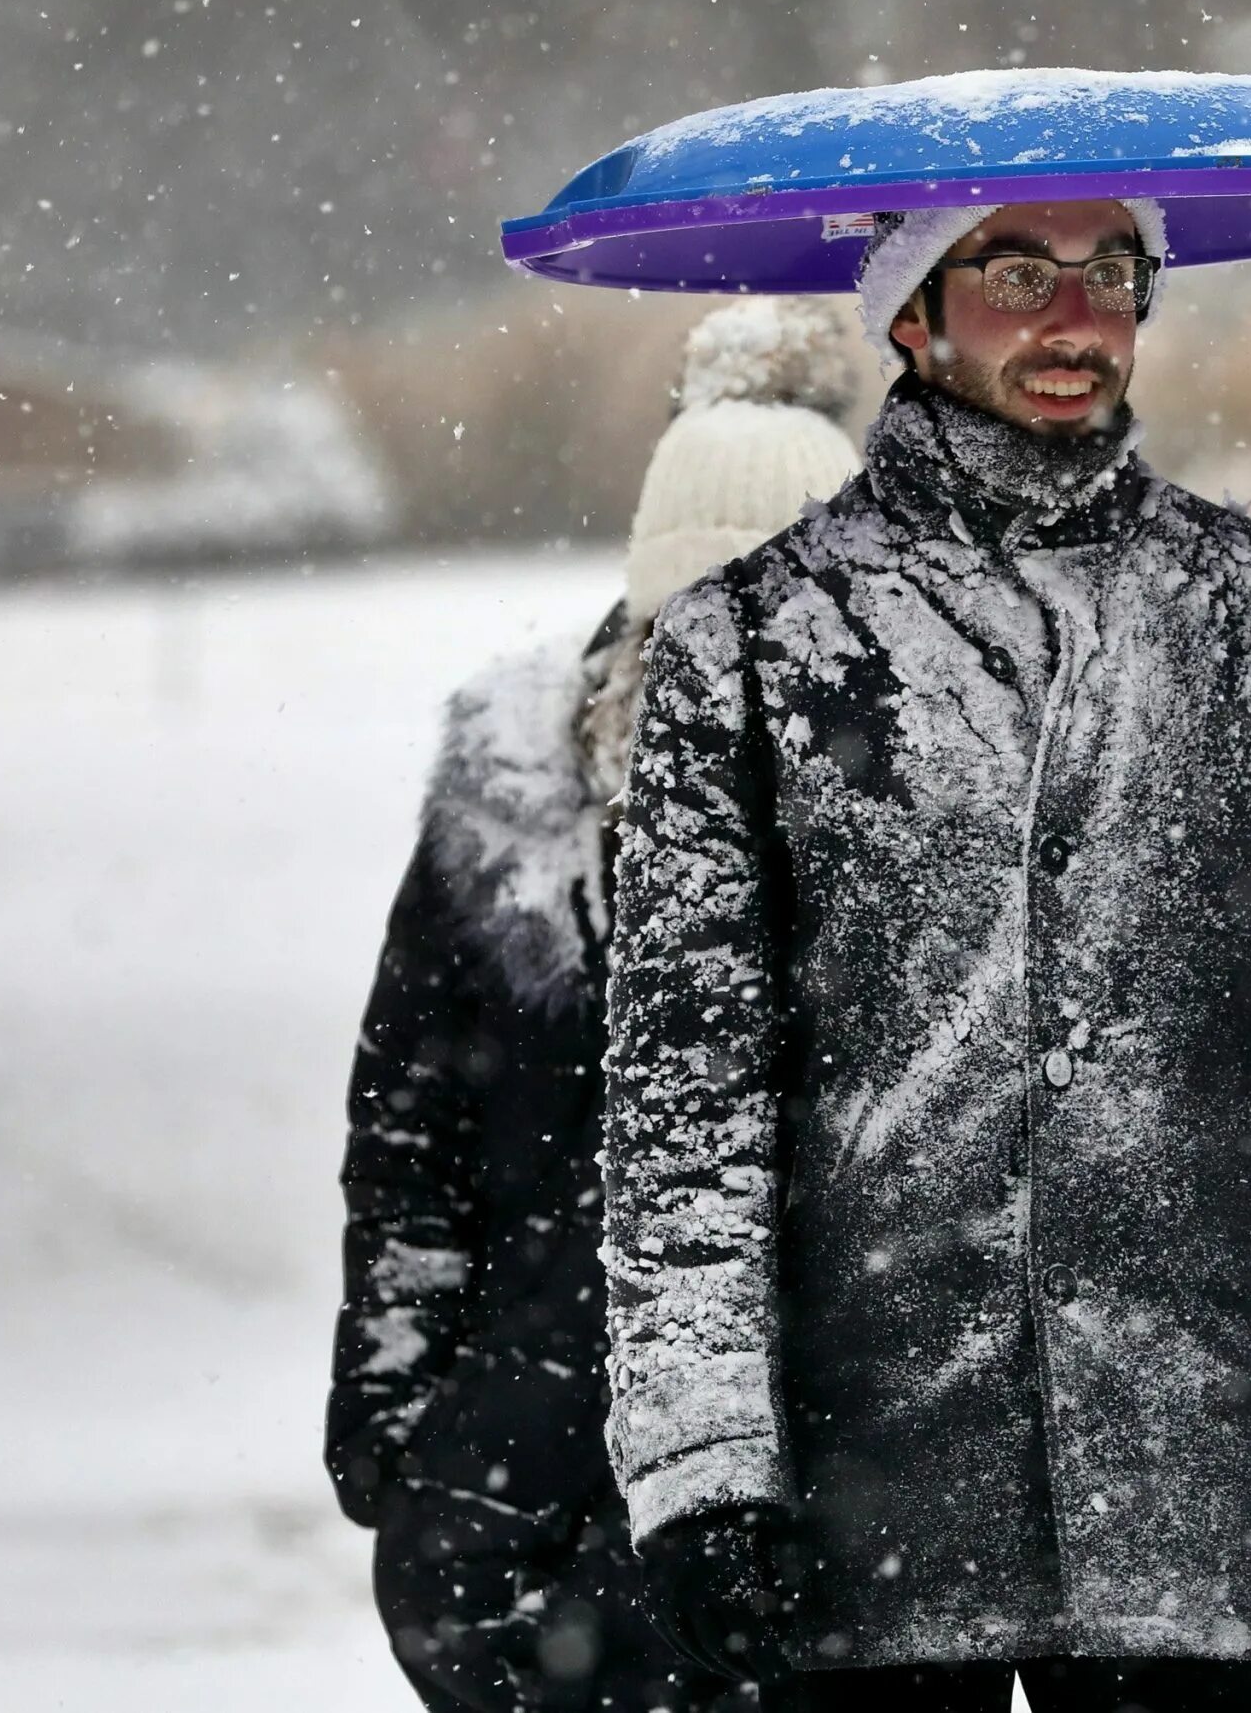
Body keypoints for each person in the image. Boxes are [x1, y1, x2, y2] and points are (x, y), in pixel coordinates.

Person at [600, 190, 1251, 1713]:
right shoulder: (757, 633)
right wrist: (704, 1459)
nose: (1076, 316)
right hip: (869, 1474)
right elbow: (686, 1110)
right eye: (1014, 273)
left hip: (1191, 1459)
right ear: (909, 317)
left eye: (1112, 272)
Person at [327, 296, 872, 1712]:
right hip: (527, 1457)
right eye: (695, 606)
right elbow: (412, 1120)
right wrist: (395, 1367)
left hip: (818, 1461)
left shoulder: (907, 813)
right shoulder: (512, 815)